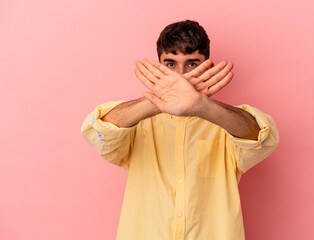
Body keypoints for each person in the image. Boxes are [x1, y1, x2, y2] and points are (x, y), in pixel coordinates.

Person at [81, 20, 279, 240]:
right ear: (159, 66)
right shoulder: (137, 124)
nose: (181, 76)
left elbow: (262, 137)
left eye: (192, 64)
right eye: (170, 65)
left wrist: (202, 106)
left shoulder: (226, 124)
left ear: (208, 67)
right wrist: (161, 99)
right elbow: (97, 130)